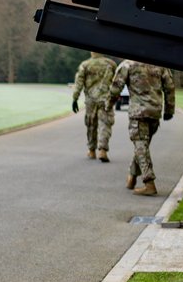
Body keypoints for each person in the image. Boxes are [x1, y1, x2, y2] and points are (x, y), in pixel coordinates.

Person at [110, 59, 175, 196]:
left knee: (141, 146)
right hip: (154, 112)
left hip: (138, 112)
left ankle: (149, 183)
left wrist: (108, 104)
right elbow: (169, 87)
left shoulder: (128, 64)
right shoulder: (160, 65)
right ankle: (132, 177)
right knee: (142, 147)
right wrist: (169, 110)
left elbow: (116, 87)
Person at [71, 52, 116, 161]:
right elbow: (117, 82)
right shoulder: (111, 64)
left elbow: (79, 83)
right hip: (105, 99)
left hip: (91, 100)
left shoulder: (85, 65)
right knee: (105, 124)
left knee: (91, 124)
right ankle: (102, 150)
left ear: (92, 52)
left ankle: (91, 150)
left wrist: (75, 98)